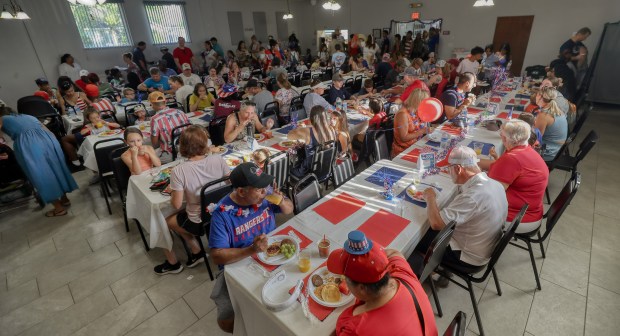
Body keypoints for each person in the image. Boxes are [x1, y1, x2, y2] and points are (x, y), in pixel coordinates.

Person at [209, 162, 293, 333]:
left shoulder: (265, 196)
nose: (266, 190)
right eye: (260, 189)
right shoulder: (222, 214)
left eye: (266, 186)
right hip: (241, 264)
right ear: (241, 191)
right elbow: (217, 256)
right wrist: (251, 250)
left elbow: (288, 210)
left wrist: (281, 199)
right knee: (226, 319)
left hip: (273, 256)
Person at [415, 146, 507, 285]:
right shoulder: (495, 184)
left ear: (458, 168)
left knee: (417, 238)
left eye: (449, 168)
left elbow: (436, 224)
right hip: (484, 246)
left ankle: (434, 274)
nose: (448, 171)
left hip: (469, 258)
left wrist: (430, 198)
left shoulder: (473, 196)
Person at [328, 230, 438, 336]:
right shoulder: (403, 275)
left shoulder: (356, 330)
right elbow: (395, 252)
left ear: (362, 288)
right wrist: (372, 258)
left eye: (346, 278)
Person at [154, 126, 229, 274]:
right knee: (181, 213)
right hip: (222, 210)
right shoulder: (218, 159)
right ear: (206, 143)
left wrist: (174, 194)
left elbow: (176, 204)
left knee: (166, 220)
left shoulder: (179, 170)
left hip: (200, 218)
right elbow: (228, 183)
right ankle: (196, 250)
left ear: (182, 146)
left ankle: (194, 249)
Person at [1, 105, 78, 217]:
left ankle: (58, 208)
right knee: (57, 169)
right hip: (48, 140)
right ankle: (64, 199)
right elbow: (47, 130)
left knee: (41, 174)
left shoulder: (2, 118)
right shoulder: (27, 116)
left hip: (30, 146)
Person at [477, 120, 548, 234]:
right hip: (531, 211)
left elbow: (490, 194)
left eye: (501, 134)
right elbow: (497, 165)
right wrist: (473, 161)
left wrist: (470, 176)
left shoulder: (512, 159)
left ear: (505, 139)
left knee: (465, 207)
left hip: (517, 218)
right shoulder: (525, 149)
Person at [287, 106, 337, 178]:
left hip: (309, 173)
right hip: (326, 170)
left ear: (311, 118)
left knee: (287, 167)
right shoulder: (331, 129)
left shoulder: (308, 131)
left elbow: (289, 135)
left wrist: (300, 128)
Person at [149, 91, 190, 163]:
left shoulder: (155, 119)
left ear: (152, 105)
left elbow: (155, 144)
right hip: (187, 146)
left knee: (148, 157)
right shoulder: (180, 112)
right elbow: (190, 128)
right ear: (165, 102)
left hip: (171, 152)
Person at [392, 88, 430, 157]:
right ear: (417, 101)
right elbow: (403, 138)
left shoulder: (415, 111)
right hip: (403, 151)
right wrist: (422, 131)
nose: (426, 104)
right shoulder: (402, 114)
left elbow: (421, 124)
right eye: (424, 102)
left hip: (416, 145)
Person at [534, 87, 568, 161]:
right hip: (558, 149)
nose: (535, 96)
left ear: (541, 97)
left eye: (537, 95)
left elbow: (535, 138)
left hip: (549, 152)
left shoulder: (543, 115)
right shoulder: (557, 109)